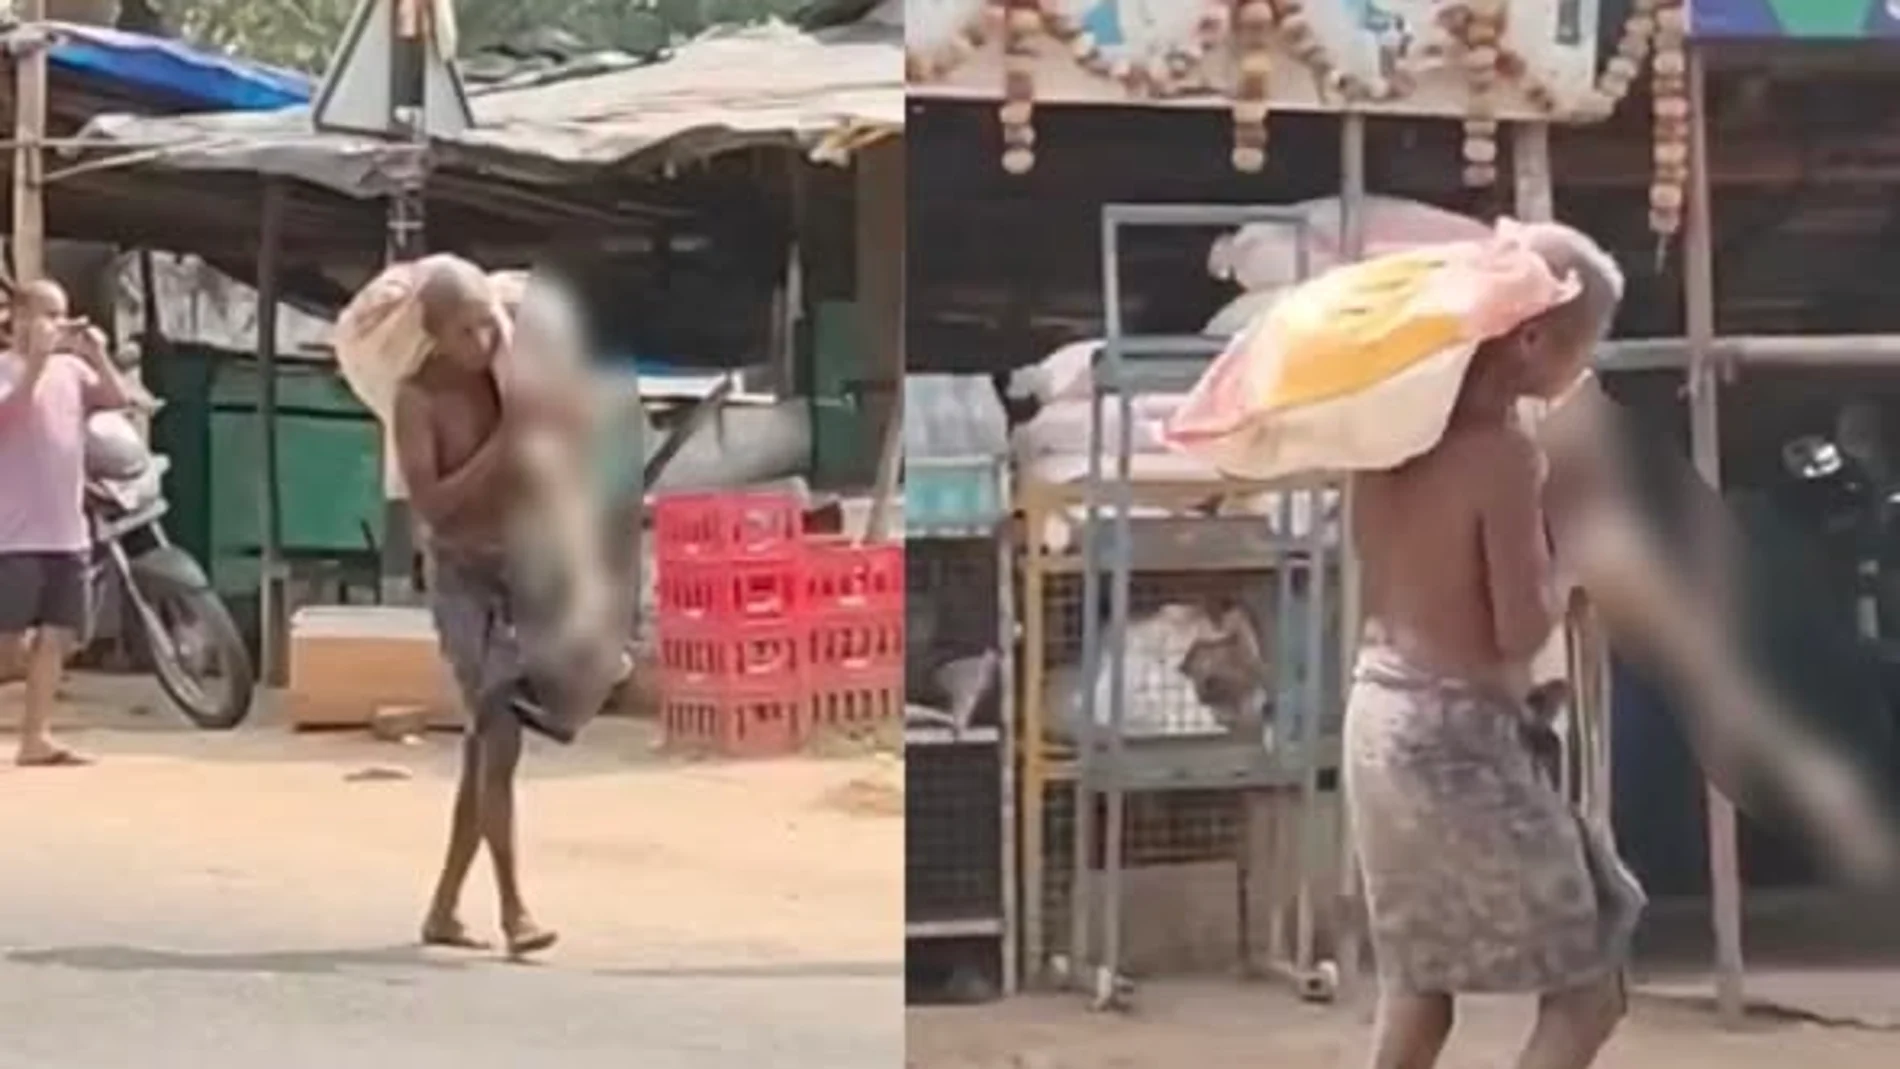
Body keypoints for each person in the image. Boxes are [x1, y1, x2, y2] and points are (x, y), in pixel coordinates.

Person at [1345, 223, 1641, 1069]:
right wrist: (1578, 559)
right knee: (1592, 981)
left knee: (1419, 979)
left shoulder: (1385, 439)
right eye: (1579, 352)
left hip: (1380, 716)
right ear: (1533, 337)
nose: (1576, 375)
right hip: (1452, 737)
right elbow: (1518, 626)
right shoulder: (1504, 456)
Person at [391, 258, 560, 958]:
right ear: (434, 334)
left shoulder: (509, 373)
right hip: (462, 576)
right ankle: (516, 909)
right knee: (500, 736)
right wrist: (501, 444)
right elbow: (432, 504)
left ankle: (443, 908)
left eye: (490, 324)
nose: (484, 341)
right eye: (466, 331)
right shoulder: (417, 399)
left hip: (519, 566)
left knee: (484, 750)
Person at [0, 279, 135, 768]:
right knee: (8, 644)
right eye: (48, 315)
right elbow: (10, 414)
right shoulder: (6, 370)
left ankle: (36, 737)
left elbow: (118, 400)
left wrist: (99, 356)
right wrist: (34, 363)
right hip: (13, 534)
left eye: (62, 315)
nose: (59, 325)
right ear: (18, 319)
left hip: (65, 530)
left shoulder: (72, 372)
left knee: (58, 636)